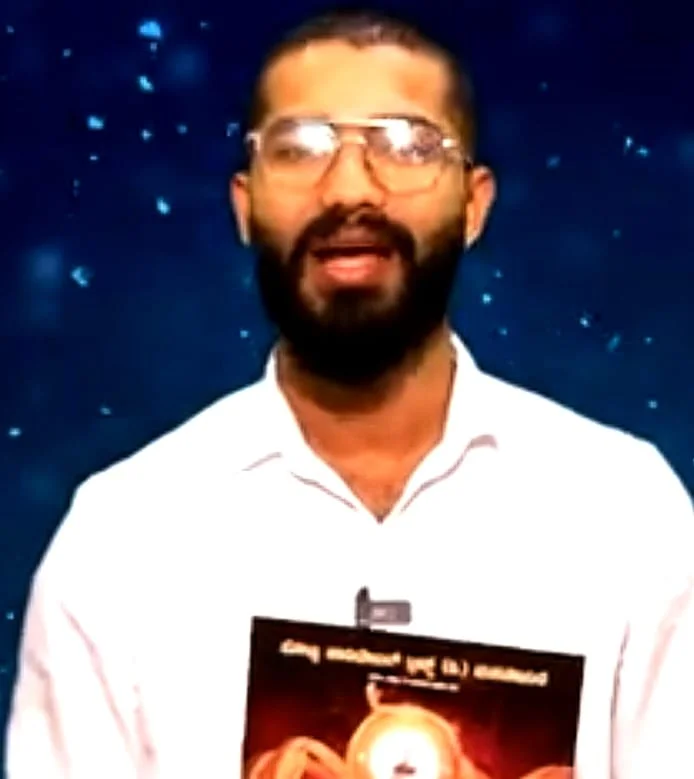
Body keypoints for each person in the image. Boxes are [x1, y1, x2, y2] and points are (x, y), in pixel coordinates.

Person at [5, 8, 693, 779]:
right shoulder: (118, 540)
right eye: (300, 147)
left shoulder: (629, 513)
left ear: (474, 205)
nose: (350, 186)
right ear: (244, 205)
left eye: (406, 144)